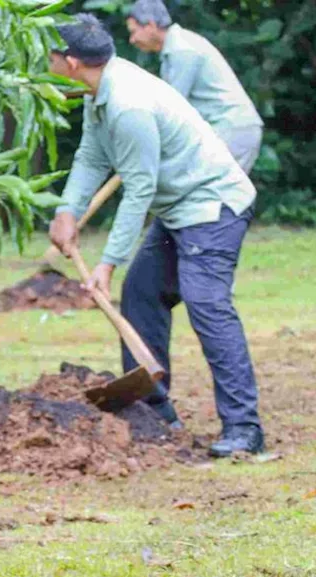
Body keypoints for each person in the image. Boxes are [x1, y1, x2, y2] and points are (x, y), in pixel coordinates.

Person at [48, 14, 264, 458]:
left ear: (70, 62)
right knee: (143, 293)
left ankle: (245, 430)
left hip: (212, 208)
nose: (46, 63)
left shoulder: (128, 104)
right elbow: (91, 156)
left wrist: (106, 264)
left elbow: (139, 189)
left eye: (50, 56)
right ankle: (152, 414)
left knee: (208, 306)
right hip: (180, 209)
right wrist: (67, 210)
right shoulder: (101, 91)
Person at [125, 0, 263, 173]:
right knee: (217, 195)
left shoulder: (182, 50)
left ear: (151, 25)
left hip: (230, 127)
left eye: (133, 32)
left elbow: (173, 110)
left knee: (206, 193)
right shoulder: (173, 50)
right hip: (228, 129)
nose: (132, 40)